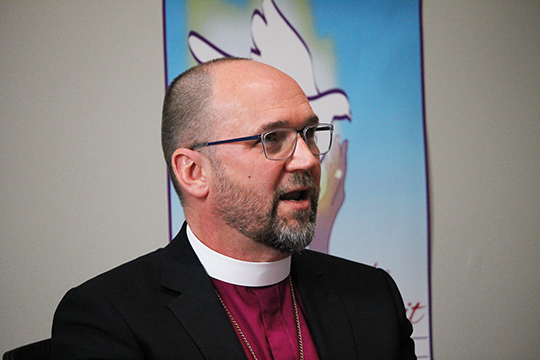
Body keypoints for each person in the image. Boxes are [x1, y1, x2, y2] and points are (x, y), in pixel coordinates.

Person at [51, 58, 416, 359]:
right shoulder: (107, 317)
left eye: (309, 134)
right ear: (194, 172)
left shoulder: (373, 296)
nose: (306, 159)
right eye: (272, 139)